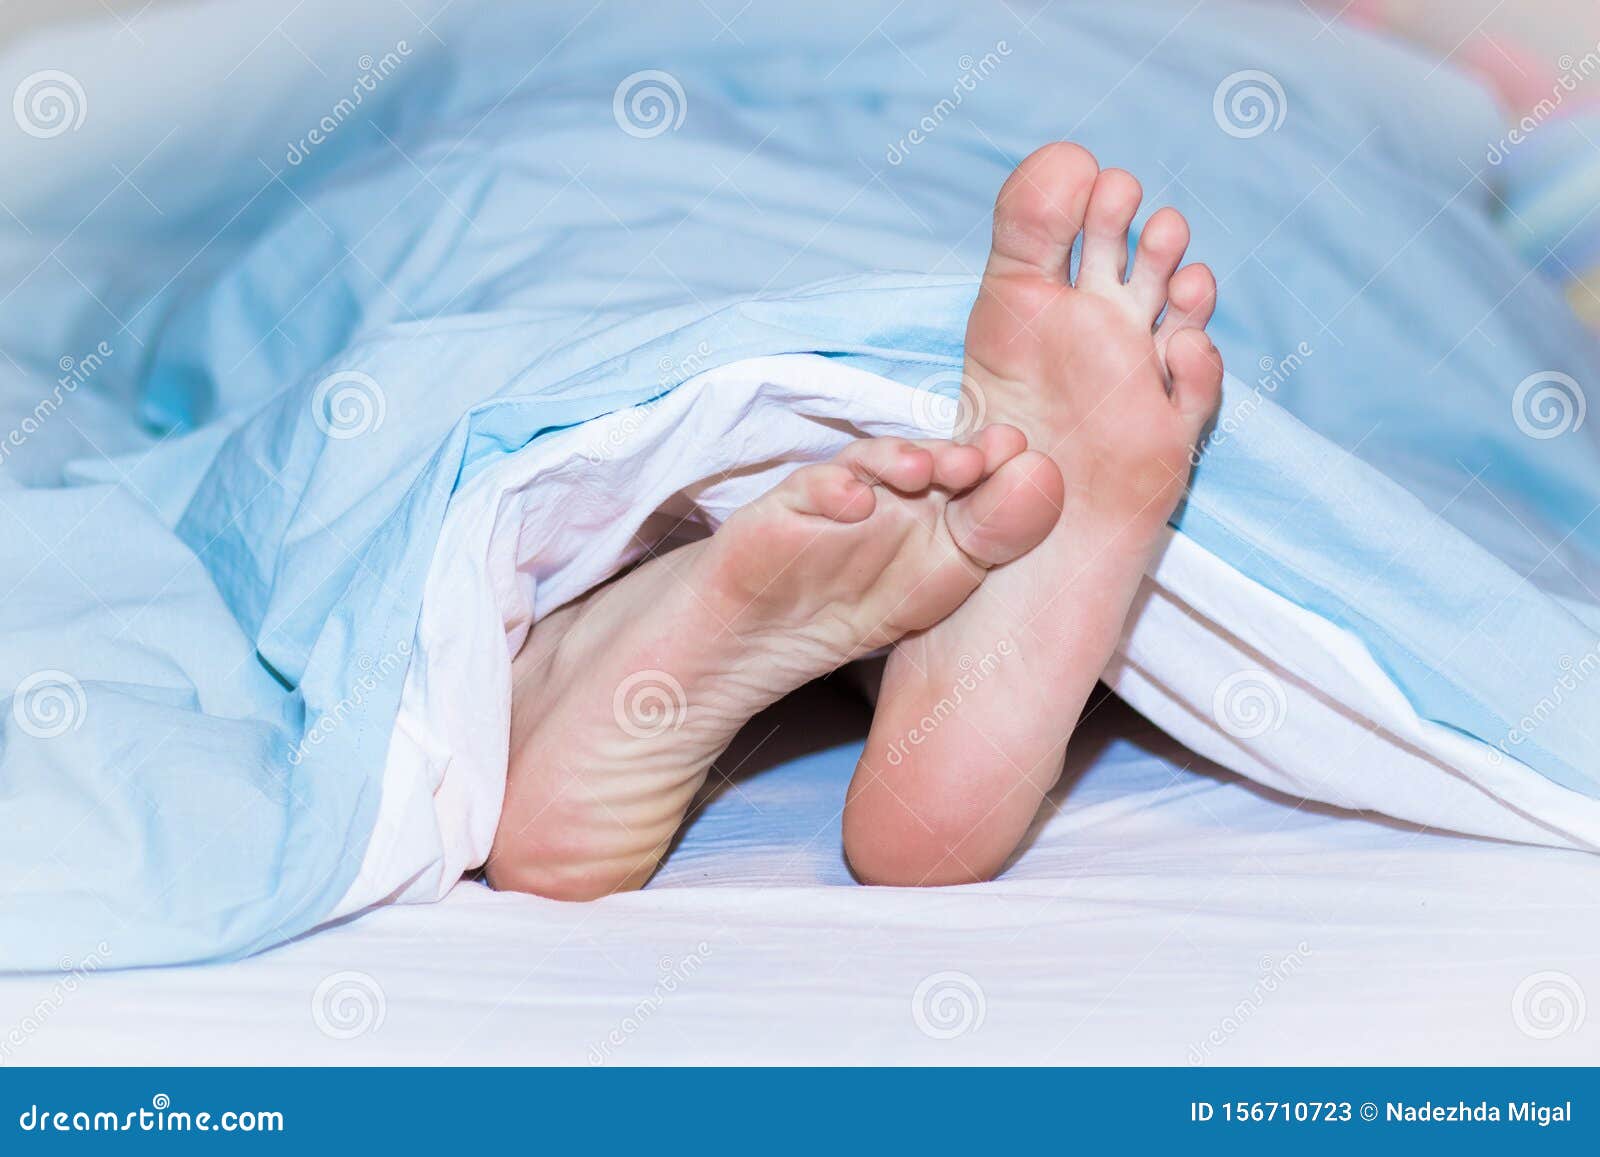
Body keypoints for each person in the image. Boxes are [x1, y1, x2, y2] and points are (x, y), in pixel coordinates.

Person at [486, 142, 1223, 900]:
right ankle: (938, 627)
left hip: (558, 236)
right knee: (896, 531)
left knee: (517, 299)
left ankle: (574, 645)